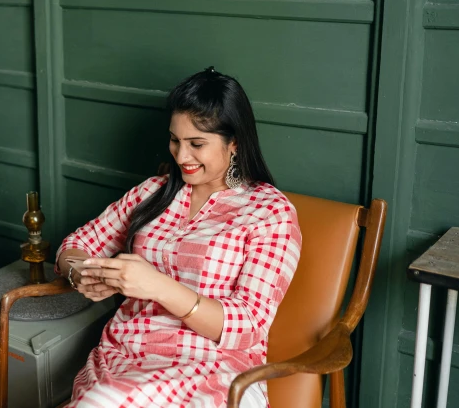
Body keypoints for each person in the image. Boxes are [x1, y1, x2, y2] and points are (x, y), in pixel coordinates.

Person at [55, 67, 302, 408]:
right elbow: (75, 245)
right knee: (103, 398)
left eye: (197, 143)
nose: (181, 156)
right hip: (124, 357)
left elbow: (248, 326)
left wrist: (156, 286)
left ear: (235, 143)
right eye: (175, 140)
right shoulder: (153, 192)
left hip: (216, 367)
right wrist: (80, 272)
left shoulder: (269, 212)